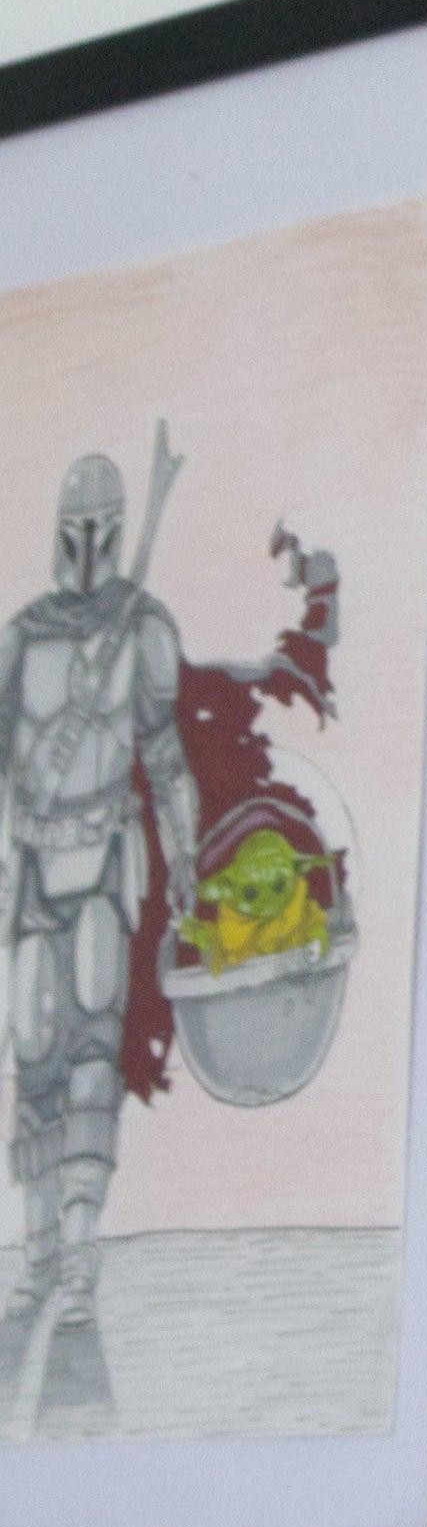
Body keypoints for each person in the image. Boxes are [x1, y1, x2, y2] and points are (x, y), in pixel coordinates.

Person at [0, 450, 199, 1330]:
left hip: (100, 867)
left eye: (100, 529)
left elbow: (163, 754)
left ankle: (79, 1256)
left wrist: (184, 855)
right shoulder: (22, 636)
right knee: (34, 1046)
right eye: (76, 529)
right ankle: (37, 1250)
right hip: (32, 867)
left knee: (88, 1047)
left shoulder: (144, 627)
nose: (87, 544)